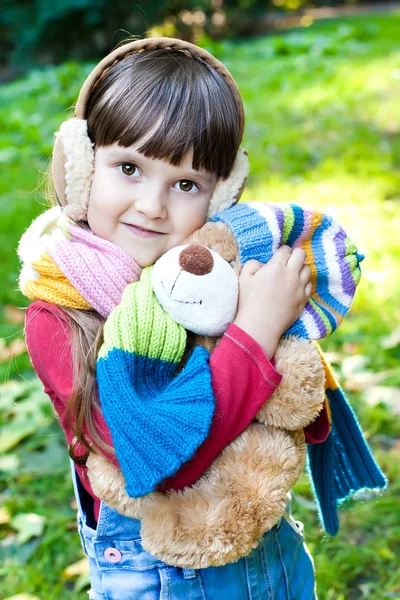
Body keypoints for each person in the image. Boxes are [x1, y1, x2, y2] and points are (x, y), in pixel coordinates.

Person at [20, 38, 330, 599]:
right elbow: (160, 465)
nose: (153, 205)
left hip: (268, 559)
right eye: (129, 168)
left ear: (219, 198)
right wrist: (254, 334)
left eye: (186, 184)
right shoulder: (58, 319)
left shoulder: (215, 277)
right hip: (161, 577)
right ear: (83, 166)